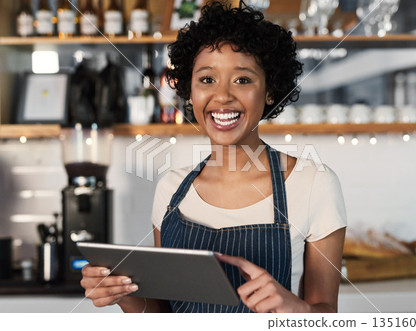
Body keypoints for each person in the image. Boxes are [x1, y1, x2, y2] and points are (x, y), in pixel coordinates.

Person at [80, 1, 346, 313]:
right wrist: (123, 293)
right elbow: (163, 313)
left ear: (270, 90)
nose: (222, 96)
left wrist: (297, 309)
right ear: (189, 91)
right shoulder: (171, 189)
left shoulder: (314, 183)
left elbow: (325, 312)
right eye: (207, 79)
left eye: (243, 80)